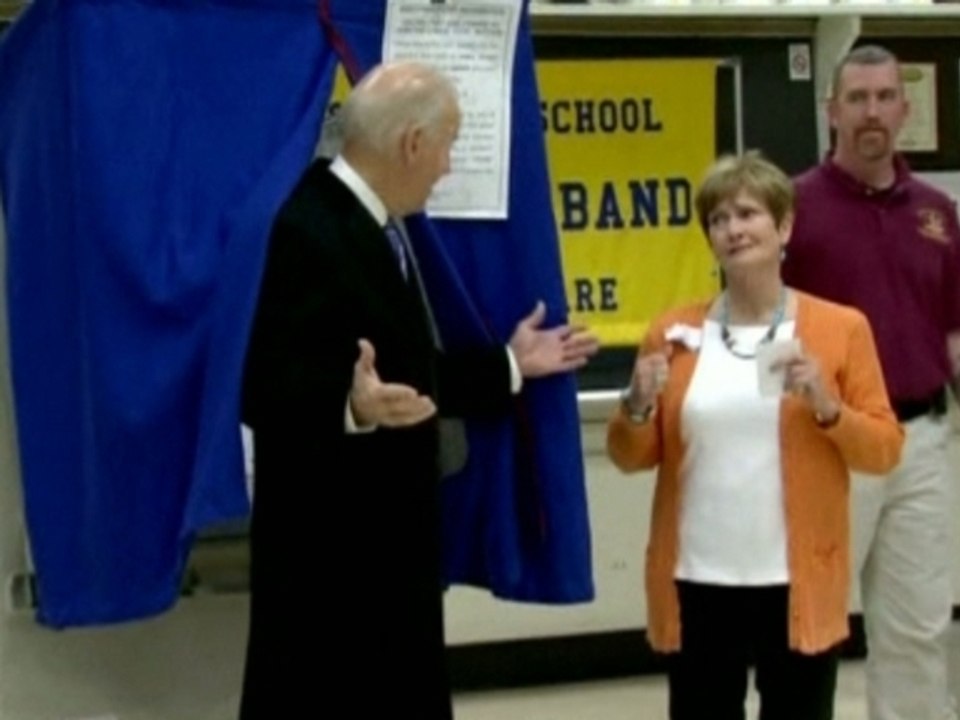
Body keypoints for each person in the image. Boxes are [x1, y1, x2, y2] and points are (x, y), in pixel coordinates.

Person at [238, 60, 598, 719]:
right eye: (448, 144)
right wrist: (347, 405)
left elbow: (407, 377)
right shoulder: (307, 228)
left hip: (380, 557)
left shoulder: (370, 226)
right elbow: (262, 383)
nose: (447, 165)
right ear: (412, 143)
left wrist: (510, 365)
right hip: (333, 566)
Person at [607, 152, 904, 720]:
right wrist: (636, 405)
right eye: (718, 219)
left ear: (784, 226)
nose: (733, 229)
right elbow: (630, 456)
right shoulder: (673, 332)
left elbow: (885, 449)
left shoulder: (840, 329)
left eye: (747, 214)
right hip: (697, 577)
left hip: (796, 580)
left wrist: (827, 407)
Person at [781, 44, 960, 720]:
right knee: (810, 623)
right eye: (857, 99)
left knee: (919, 628)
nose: (872, 112)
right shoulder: (793, 208)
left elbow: (952, 334)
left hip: (921, 442)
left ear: (905, 109)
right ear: (832, 111)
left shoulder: (938, 212)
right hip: (830, 448)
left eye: (885, 97)